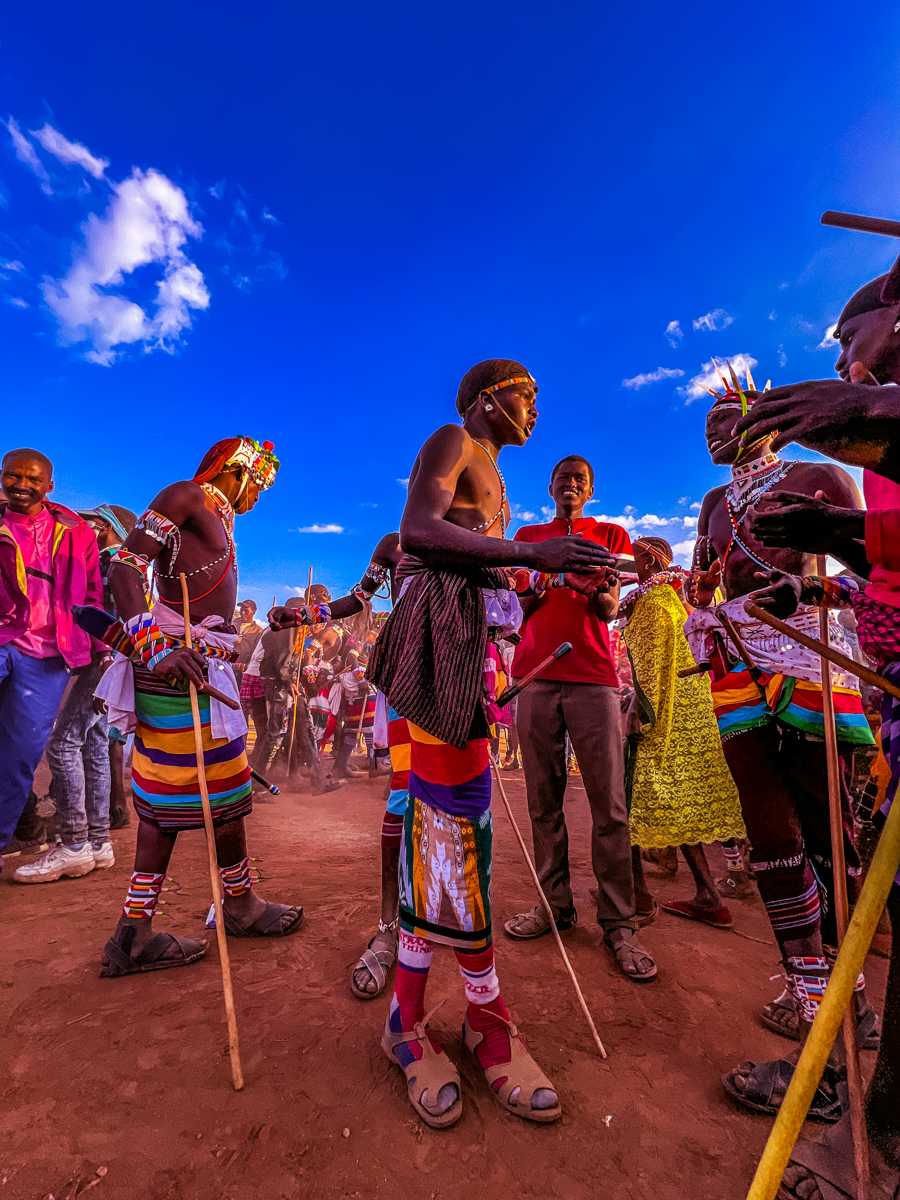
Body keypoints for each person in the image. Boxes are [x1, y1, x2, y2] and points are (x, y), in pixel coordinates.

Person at [349, 359, 613, 1128]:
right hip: (437, 643)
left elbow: (481, 561)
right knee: (451, 823)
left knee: (457, 827)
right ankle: (463, 1019)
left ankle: (439, 1013)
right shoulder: (453, 441)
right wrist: (532, 557)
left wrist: (553, 581)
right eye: (526, 392)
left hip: (470, 648)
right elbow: (417, 534)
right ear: (487, 398)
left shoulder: (496, 476)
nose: (536, 406)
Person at [732, 264, 900, 1200]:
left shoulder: (835, 458)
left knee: (834, 843)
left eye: (850, 340)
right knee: (777, 846)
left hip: (821, 675)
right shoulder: (726, 505)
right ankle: (823, 1027)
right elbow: (878, 566)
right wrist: (825, 568)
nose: (841, 360)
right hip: (746, 674)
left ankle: (850, 1042)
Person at [687, 379, 877, 1123]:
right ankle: (813, 1005)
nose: (714, 431)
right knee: (771, 837)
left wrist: (811, 601)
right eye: (705, 424)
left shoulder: (818, 477)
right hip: (734, 663)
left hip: (810, 658)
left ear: (765, 417)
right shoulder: (710, 506)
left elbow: (875, 577)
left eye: (727, 416)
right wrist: (697, 600)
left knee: (829, 835)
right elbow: (709, 583)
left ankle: (847, 1011)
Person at [94, 436, 303, 977]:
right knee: (169, 801)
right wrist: (156, 648)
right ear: (242, 468)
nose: (261, 493)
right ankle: (135, 932)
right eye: (261, 481)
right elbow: (124, 567)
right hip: (174, 668)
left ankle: (237, 905)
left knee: (229, 794)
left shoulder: (222, 519)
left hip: (204, 669)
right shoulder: (187, 496)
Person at [503, 455, 658, 983]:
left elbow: (611, 609)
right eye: (562, 478)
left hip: (593, 677)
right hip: (535, 676)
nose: (570, 485)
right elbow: (519, 612)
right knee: (542, 801)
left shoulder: (611, 536)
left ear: (590, 489)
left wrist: (594, 591)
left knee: (609, 804)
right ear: (550, 486)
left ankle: (618, 921)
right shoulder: (528, 535)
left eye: (579, 480)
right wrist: (532, 589)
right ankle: (555, 906)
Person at [622, 536, 745, 928]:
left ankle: (636, 896)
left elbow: (649, 671)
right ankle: (709, 894)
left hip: (657, 718)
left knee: (627, 801)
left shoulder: (651, 606)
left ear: (646, 561)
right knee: (679, 802)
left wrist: (638, 715)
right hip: (693, 719)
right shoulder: (678, 602)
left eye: (636, 557)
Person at [14, 503, 137, 883]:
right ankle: (97, 842)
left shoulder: (108, 564)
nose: (83, 529)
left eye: (91, 524)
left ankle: (73, 844)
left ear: (103, 527)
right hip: (114, 665)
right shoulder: (130, 565)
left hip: (100, 661)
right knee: (94, 745)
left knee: (63, 744)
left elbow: (96, 614)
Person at [0, 449, 104, 863]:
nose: (21, 485)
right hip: (4, 637)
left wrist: (97, 652)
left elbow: (92, 594)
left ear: (49, 486)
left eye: (32, 479)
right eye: (13, 477)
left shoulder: (77, 533)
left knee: (19, 759)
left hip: (48, 657)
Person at [234, 600, 264, 682]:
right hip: (226, 666)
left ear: (253, 612)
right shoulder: (232, 624)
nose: (242, 613)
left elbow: (256, 653)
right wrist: (233, 640)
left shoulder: (259, 631)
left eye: (246, 611)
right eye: (241, 610)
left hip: (242, 671)